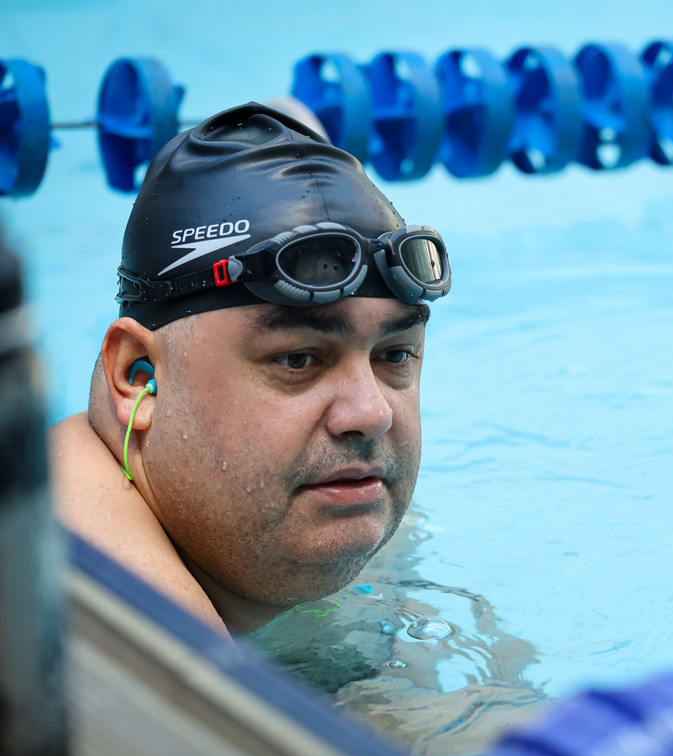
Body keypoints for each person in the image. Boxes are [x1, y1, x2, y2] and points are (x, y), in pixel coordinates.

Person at [50, 102, 448, 637]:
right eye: (298, 359)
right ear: (138, 376)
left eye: (394, 355)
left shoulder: (315, 505)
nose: (371, 413)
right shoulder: (85, 593)